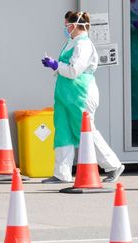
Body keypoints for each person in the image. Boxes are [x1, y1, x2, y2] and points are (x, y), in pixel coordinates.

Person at [41, 11, 124, 183]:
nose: (65, 29)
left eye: (66, 26)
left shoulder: (84, 45)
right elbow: (66, 68)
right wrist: (54, 66)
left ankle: (114, 165)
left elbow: (74, 71)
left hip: (81, 94)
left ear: (74, 25)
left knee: (86, 131)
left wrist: (56, 64)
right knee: (62, 131)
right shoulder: (72, 42)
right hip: (66, 95)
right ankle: (61, 173)